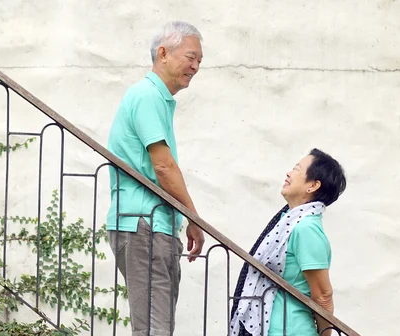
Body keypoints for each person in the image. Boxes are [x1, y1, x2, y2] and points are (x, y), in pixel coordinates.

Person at [106, 21, 206, 336]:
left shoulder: (155, 98)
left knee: (155, 326)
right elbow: (163, 167)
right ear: (163, 53)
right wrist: (193, 217)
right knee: (153, 329)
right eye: (191, 57)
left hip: (150, 224)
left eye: (200, 61)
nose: (195, 66)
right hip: (143, 224)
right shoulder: (147, 95)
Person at [230, 149, 347, 336]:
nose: (289, 173)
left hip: (290, 329)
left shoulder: (306, 228)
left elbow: (323, 295)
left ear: (313, 185)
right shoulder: (288, 222)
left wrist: (325, 334)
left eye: (297, 169)